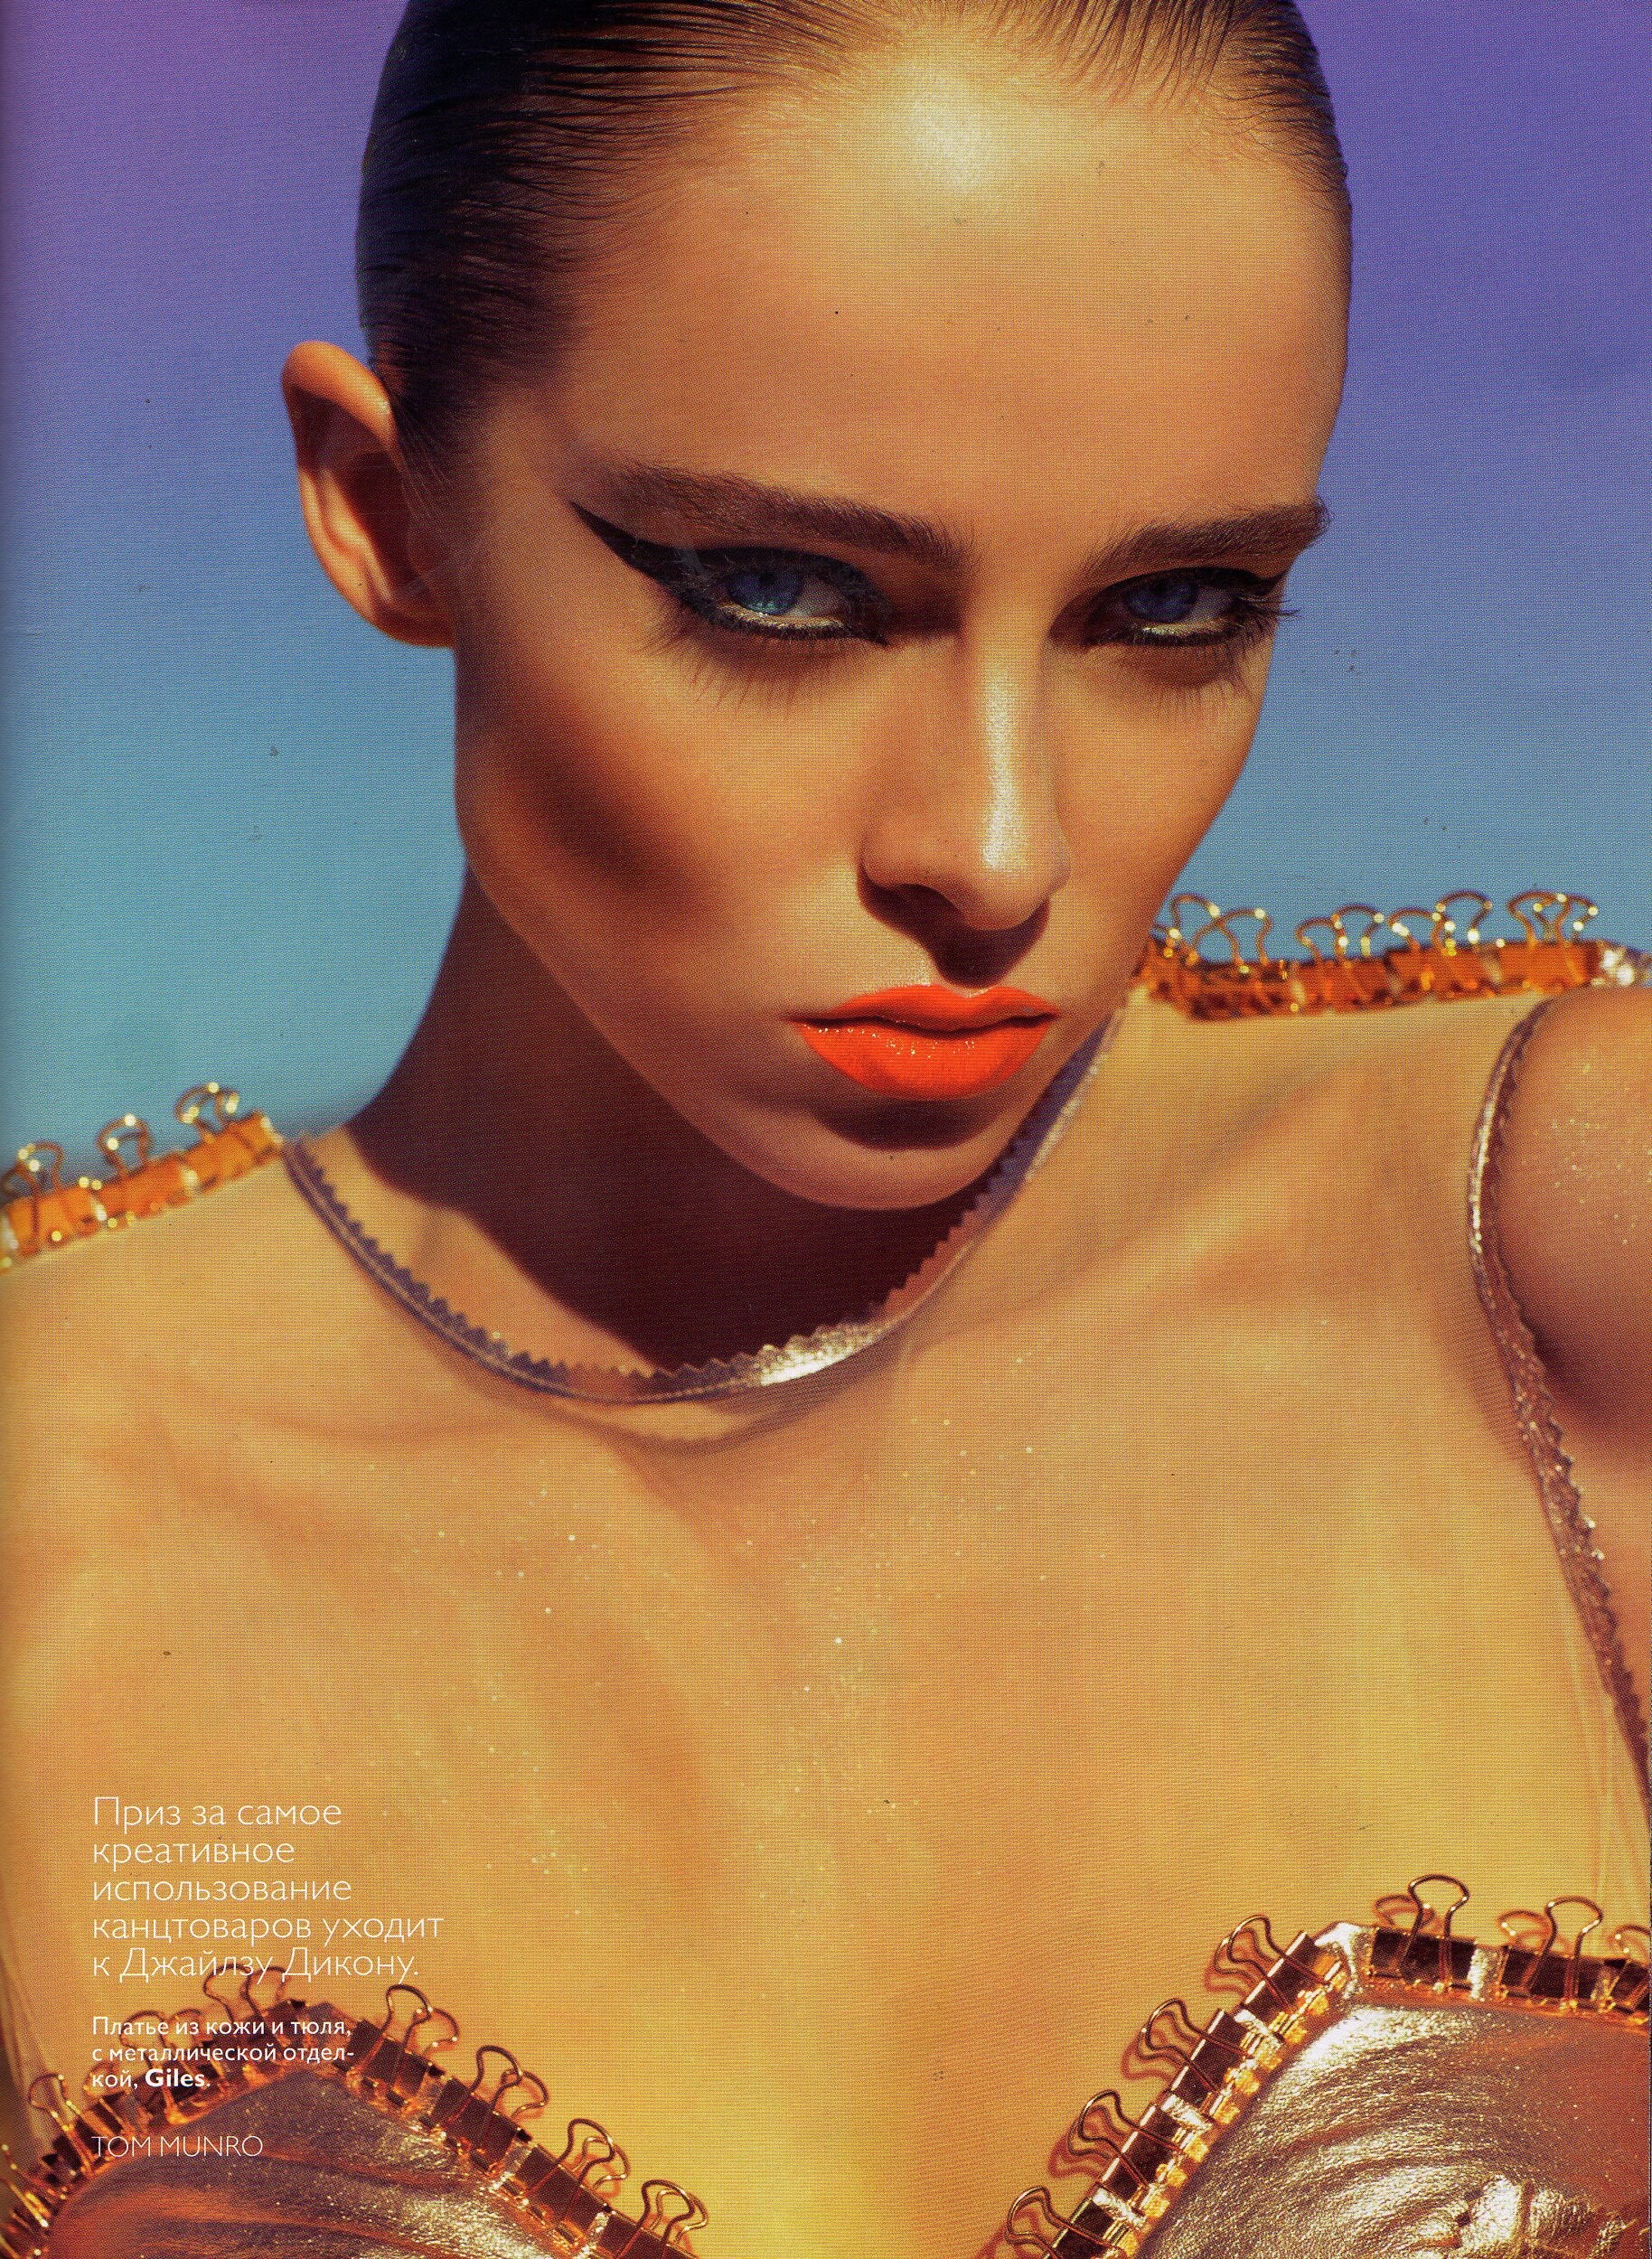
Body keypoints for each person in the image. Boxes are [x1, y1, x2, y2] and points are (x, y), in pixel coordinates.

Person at [2, 1, 1646, 2252]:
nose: (992, 845)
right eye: (779, 591)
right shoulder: (48, 1493)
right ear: (387, 514)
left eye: (1172, 608)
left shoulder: (1556, 1256)